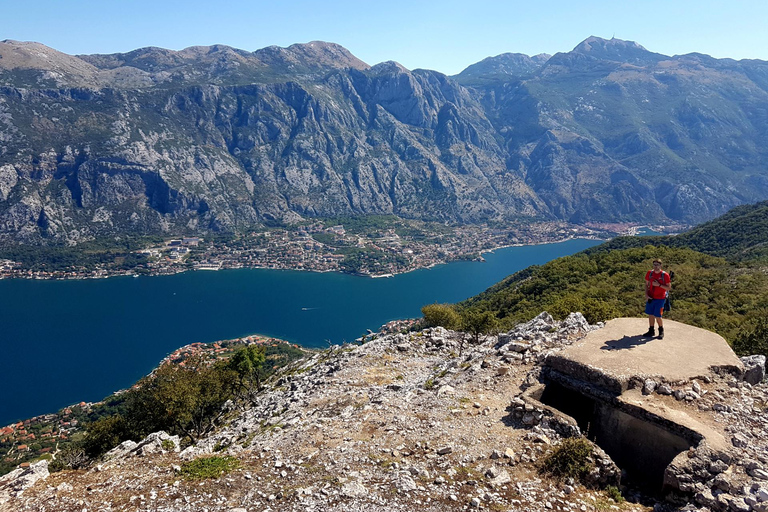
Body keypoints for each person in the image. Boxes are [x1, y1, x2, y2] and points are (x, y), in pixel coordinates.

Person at [644, 259, 671, 338]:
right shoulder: (649, 273)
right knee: (650, 314)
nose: (656, 267)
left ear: (660, 265)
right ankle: (651, 330)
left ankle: (661, 330)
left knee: (658, 315)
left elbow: (668, 288)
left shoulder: (664, 275)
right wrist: (646, 295)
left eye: (657, 265)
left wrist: (658, 285)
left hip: (660, 298)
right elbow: (646, 285)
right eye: (654, 265)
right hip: (651, 297)